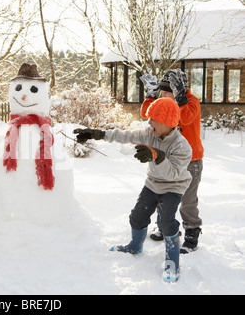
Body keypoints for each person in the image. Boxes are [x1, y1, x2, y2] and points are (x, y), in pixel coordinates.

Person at [74, 97, 192, 282]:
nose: (149, 122)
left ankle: (172, 262)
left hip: (173, 187)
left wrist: (156, 155)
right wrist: (97, 134)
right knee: (137, 216)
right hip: (153, 183)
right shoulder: (149, 133)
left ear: (167, 122)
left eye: (153, 119)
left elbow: (173, 174)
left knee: (166, 223)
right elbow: (125, 135)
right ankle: (135, 246)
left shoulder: (182, 146)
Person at [140, 69, 204, 253]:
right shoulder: (164, 103)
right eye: (162, 92)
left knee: (188, 199)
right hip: (166, 159)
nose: (165, 96)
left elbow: (186, 117)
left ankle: (192, 231)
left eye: (169, 92)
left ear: (180, 90)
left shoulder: (191, 102)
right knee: (163, 194)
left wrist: (181, 98)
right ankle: (163, 225)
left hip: (191, 161)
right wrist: (151, 96)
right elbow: (147, 114)